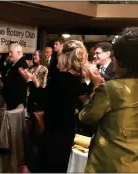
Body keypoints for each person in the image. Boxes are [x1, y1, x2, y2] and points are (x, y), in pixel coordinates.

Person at [80, 27, 138, 172]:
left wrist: (96, 86)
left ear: (123, 60)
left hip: (113, 164)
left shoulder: (112, 89)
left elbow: (86, 116)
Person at [37, 40, 102, 173]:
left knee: (52, 164)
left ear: (64, 56)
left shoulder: (59, 77)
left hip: (56, 130)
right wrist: (95, 87)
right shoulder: (81, 80)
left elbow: (45, 101)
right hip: (66, 129)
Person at [0, 43, 29, 110]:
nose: (9, 55)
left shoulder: (21, 65)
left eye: (11, 52)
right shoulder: (15, 63)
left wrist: (0, 78)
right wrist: (0, 77)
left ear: (19, 52)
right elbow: (9, 78)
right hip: (11, 101)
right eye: (9, 52)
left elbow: (12, 83)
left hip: (15, 103)